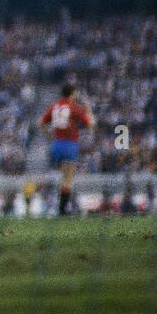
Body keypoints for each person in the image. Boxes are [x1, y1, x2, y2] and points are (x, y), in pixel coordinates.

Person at [40, 83, 93, 216]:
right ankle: (62, 209)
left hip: (56, 144)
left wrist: (50, 135)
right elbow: (90, 125)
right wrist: (88, 111)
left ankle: (61, 207)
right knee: (68, 178)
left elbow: (41, 122)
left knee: (63, 177)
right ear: (72, 93)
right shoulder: (74, 107)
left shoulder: (55, 105)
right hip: (69, 144)